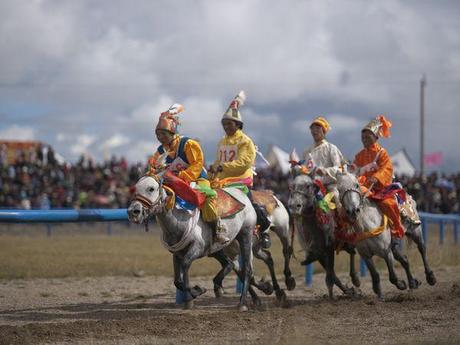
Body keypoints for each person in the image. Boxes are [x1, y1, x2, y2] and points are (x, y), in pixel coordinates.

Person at [147, 104, 228, 244]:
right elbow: (153, 168)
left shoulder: (188, 144)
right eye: (158, 134)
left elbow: (197, 163)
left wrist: (182, 177)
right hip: (174, 183)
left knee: (206, 196)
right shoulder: (160, 151)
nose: (160, 138)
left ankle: (218, 229)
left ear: (172, 133)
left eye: (163, 134)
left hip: (197, 179)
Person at [210, 91, 271, 247]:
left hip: (241, 178)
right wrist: (213, 168)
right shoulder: (221, 141)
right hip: (221, 180)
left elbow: (244, 163)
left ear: (238, 124)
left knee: (250, 202)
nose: (226, 127)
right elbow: (218, 161)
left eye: (229, 124)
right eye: (224, 124)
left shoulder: (246, 141)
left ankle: (264, 229)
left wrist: (222, 167)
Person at [351, 115, 405, 242]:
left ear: (376, 137)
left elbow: (387, 168)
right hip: (364, 187)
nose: (364, 139)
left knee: (388, 203)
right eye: (363, 137)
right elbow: (355, 170)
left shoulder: (382, 153)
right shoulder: (359, 155)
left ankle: (396, 229)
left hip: (381, 188)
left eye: (367, 137)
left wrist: (376, 177)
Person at [303, 116, 346, 208]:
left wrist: (325, 171)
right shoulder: (307, 151)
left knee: (338, 202)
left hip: (329, 185)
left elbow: (339, 168)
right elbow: (305, 169)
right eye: (312, 129)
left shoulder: (331, 148)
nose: (314, 131)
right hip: (311, 187)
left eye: (318, 128)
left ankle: (344, 220)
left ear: (323, 130)